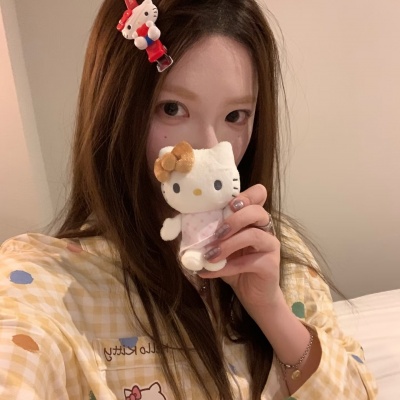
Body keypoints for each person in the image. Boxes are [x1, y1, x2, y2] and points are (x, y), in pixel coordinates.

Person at [0, 0, 377, 399]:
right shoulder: (48, 278)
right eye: (172, 109)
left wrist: (271, 310)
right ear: (116, 111)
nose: (210, 150)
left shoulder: (278, 253)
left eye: (236, 115)